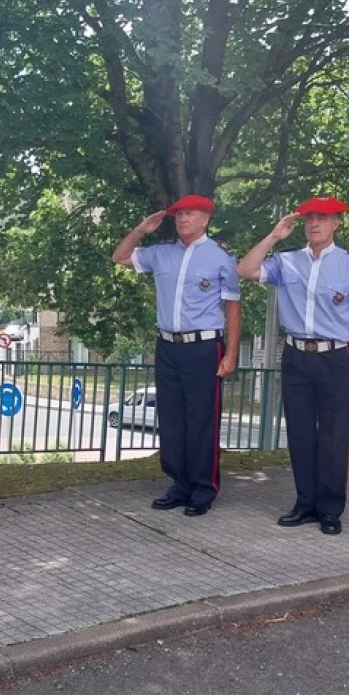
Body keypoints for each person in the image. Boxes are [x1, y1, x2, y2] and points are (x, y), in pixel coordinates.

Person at [238, 197, 349, 536]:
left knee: (333, 437)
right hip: (297, 355)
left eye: (322, 218)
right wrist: (274, 236)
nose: (314, 224)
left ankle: (330, 509)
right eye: (309, 219)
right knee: (301, 433)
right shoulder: (286, 262)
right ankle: (305, 504)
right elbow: (244, 270)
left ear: (336, 224)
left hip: (335, 356)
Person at [111, 194, 241, 516]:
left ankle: (202, 488)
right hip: (168, 346)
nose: (183, 219)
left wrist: (232, 353)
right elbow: (119, 256)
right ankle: (179, 483)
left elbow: (233, 308)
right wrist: (142, 229)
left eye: (190, 214)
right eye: (179, 215)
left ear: (205, 219)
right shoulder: (161, 254)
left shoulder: (221, 257)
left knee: (201, 419)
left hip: (204, 347)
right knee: (170, 417)